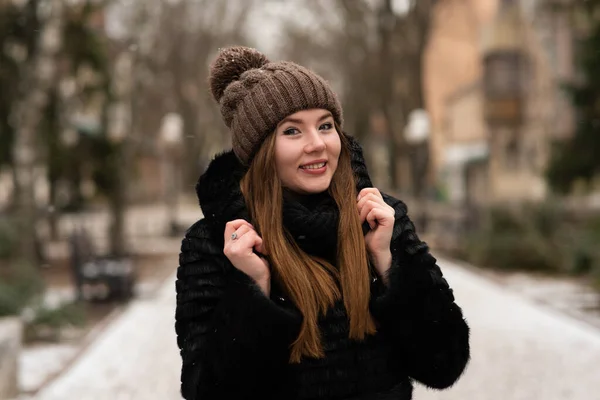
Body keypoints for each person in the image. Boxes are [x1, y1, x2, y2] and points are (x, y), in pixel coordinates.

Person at [175, 46, 470, 400]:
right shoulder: (217, 243)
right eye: (292, 131)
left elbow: (444, 363)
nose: (317, 144)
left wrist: (391, 265)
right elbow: (208, 392)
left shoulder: (381, 220)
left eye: (325, 126)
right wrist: (253, 288)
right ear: (261, 151)